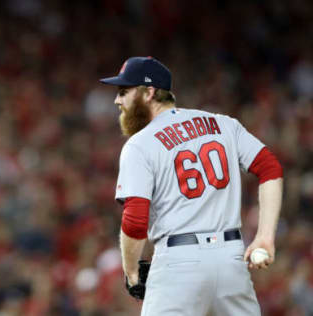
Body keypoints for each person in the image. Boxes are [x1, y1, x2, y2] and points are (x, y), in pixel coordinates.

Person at [99, 56, 284, 315]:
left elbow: (136, 220)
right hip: (230, 259)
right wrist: (265, 236)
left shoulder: (140, 144)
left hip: (178, 264)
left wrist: (131, 272)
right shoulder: (223, 124)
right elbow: (270, 169)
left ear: (149, 92)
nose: (118, 101)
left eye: (124, 92)